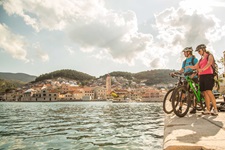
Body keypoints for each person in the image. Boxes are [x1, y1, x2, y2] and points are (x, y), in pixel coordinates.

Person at [186, 44, 218, 116]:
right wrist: (188, 67)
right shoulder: (201, 59)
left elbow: (209, 63)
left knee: (209, 91)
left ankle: (215, 109)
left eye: (199, 51)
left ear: (203, 49)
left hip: (208, 76)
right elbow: (195, 66)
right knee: (205, 93)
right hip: (202, 77)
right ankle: (208, 110)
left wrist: (202, 69)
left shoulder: (209, 56)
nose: (199, 52)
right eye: (198, 51)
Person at [179, 47, 198, 114]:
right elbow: (182, 69)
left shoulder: (194, 59)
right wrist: (177, 72)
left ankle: (194, 107)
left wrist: (193, 74)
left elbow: (197, 68)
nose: (184, 53)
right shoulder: (184, 61)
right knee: (183, 92)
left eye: (185, 52)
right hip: (187, 78)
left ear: (188, 52)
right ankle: (180, 108)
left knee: (194, 92)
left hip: (194, 77)